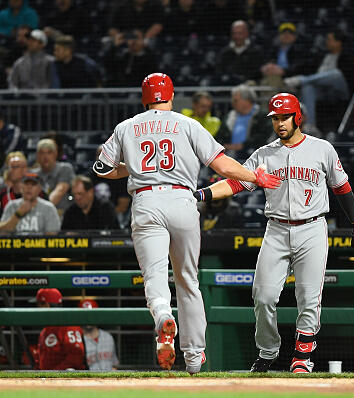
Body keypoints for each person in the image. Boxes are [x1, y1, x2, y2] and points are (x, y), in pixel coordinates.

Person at [93, 72, 281, 374]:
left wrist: (137, 169)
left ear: (144, 97)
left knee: (154, 274)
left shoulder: (126, 127)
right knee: (188, 280)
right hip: (182, 200)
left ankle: (163, 316)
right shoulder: (188, 123)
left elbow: (102, 168)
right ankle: (193, 358)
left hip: (146, 201)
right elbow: (221, 165)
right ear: (171, 95)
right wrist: (254, 176)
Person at [194, 93, 354, 373]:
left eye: (284, 117)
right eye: (275, 118)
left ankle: (303, 357)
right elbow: (235, 183)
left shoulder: (322, 149)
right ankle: (268, 351)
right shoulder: (264, 154)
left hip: (312, 227)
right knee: (262, 296)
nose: (279, 123)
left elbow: (341, 187)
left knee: (309, 297)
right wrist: (202, 194)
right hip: (276, 229)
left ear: (297, 117)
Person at [283, 28, 354, 131]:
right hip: (321, 90)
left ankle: (301, 80)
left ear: (338, 42)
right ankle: (310, 125)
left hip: (339, 90)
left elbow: (348, 78)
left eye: (329, 40)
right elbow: (306, 66)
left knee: (336, 74)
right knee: (308, 87)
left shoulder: (348, 57)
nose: (327, 42)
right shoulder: (322, 55)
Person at [36, 288, 86, 370]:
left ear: (46, 305)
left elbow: (76, 358)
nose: (37, 309)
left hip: (66, 380)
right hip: (47, 380)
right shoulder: (45, 330)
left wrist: (53, 374)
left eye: (39, 305)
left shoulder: (68, 326)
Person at [260, 22, 312, 93]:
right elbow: (265, 63)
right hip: (271, 76)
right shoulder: (273, 50)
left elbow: (301, 68)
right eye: (283, 33)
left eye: (290, 33)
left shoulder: (300, 50)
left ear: (295, 36)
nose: (286, 35)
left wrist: (283, 71)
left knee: (273, 81)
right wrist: (264, 68)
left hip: (291, 79)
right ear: (279, 36)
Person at [217, 84, 271, 152]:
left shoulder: (262, 116)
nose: (232, 103)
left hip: (255, 155)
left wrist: (244, 146)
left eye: (235, 100)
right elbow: (220, 136)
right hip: (230, 156)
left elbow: (264, 136)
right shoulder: (230, 116)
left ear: (247, 100)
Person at [32, 138, 75, 214]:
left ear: (55, 154)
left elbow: (59, 192)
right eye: (42, 153)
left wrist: (40, 213)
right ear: (37, 156)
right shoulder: (33, 174)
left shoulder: (65, 169)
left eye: (49, 152)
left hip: (60, 213)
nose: (45, 157)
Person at [215, 20, 263, 84]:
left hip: (250, 86)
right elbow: (219, 71)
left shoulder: (256, 51)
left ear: (247, 34)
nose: (237, 36)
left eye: (240, 33)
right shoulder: (224, 52)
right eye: (234, 33)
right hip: (229, 85)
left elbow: (258, 72)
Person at [78, 299, 119, 371]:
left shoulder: (108, 337)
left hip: (109, 380)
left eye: (91, 315)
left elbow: (114, 365)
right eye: (85, 315)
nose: (88, 318)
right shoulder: (78, 340)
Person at [0, 151, 28, 216]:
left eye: (15, 167)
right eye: (9, 167)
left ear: (24, 169)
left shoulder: (37, 193)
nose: (10, 170)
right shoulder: (2, 194)